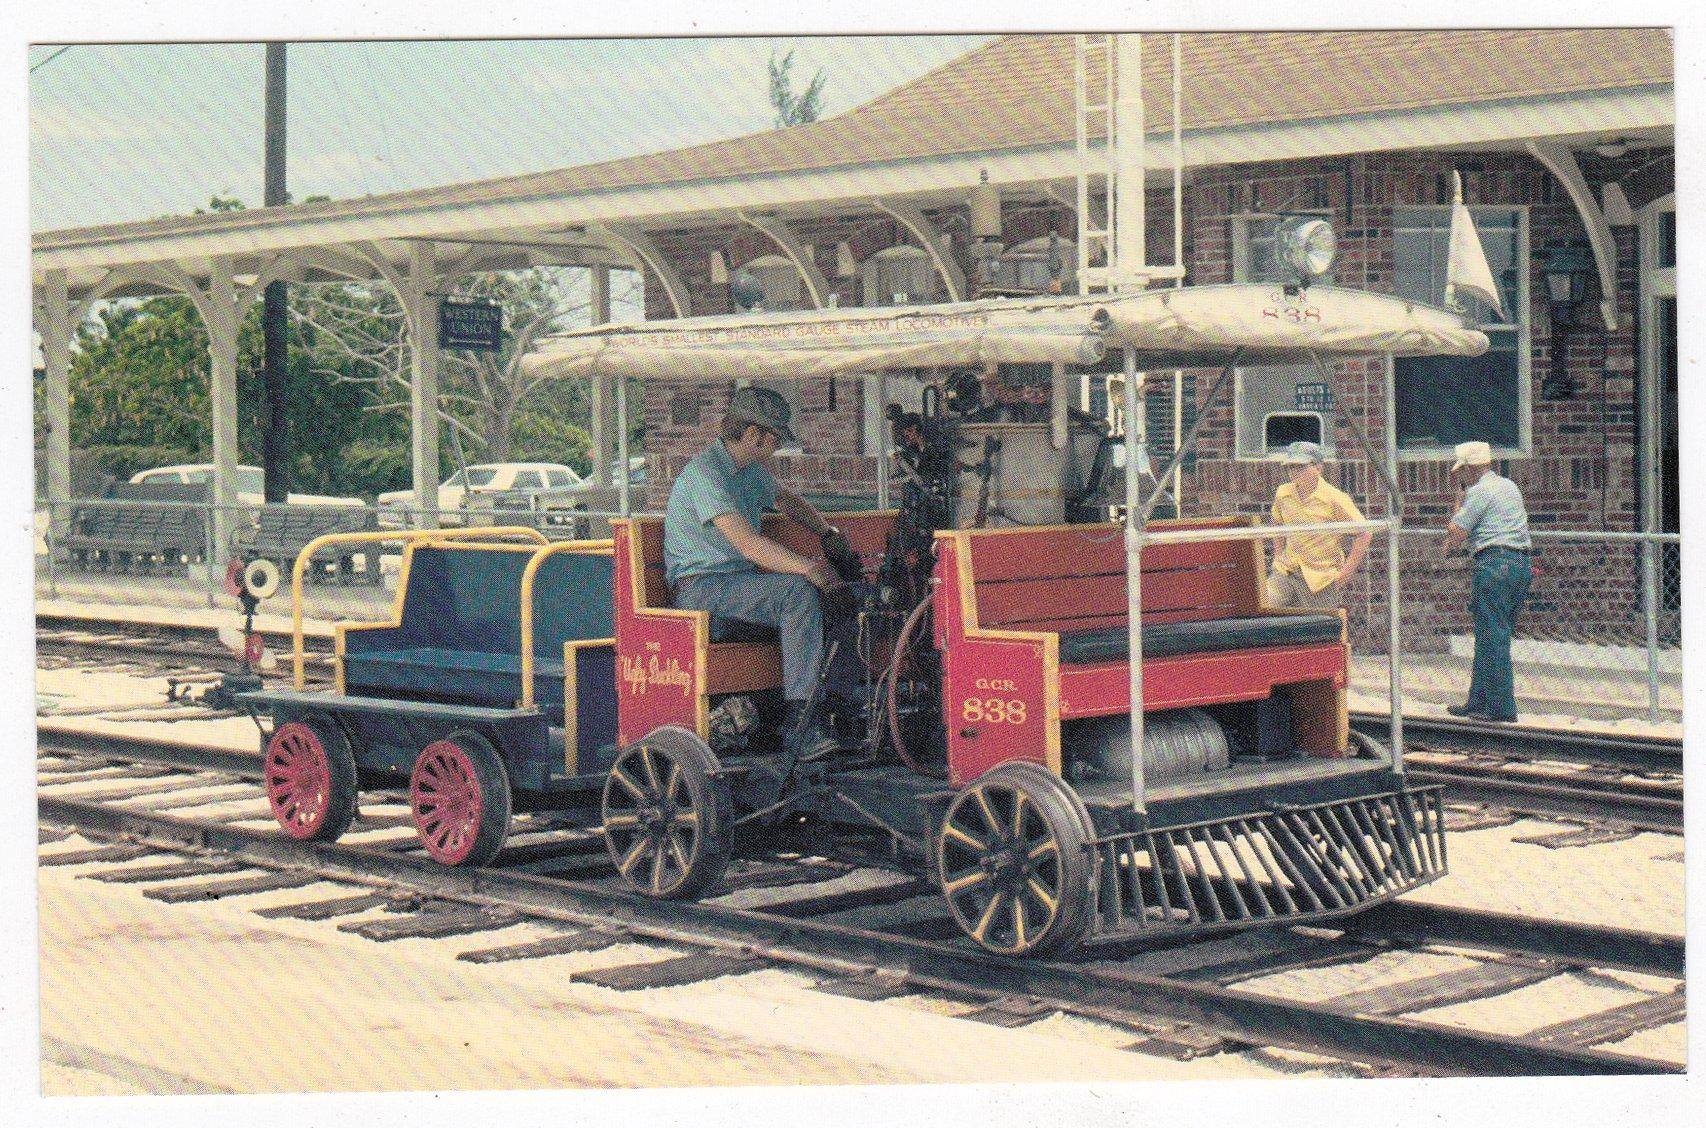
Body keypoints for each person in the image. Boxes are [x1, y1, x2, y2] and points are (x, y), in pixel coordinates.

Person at [663, 386, 850, 757]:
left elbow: (787, 501)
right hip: (701, 590)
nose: (777, 447)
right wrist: (808, 567)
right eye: (775, 439)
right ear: (752, 435)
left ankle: (830, 708)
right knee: (797, 593)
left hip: (737, 586)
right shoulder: (706, 473)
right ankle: (800, 725)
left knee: (838, 599)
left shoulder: (748, 471)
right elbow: (748, 544)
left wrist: (827, 533)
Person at [1441, 440, 1532, 723]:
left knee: (1493, 636)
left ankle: (1501, 709)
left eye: (1461, 471)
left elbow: (1456, 532)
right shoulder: (1509, 486)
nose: (1460, 476)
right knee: (1489, 633)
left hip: (1493, 564)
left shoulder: (1479, 492)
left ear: (1469, 468)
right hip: (1520, 566)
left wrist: (1458, 500)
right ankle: (1478, 701)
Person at [1266, 441, 1371, 610]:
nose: (1294, 473)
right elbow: (1277, 523)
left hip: (1320, 580)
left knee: (1316, 630)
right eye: (1291, 467)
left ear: (1318, 468)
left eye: (1300, 467)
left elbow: (1364, 533)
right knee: (1264, 609)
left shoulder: (1334, 498)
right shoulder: (1283, 493)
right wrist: (1278, 555)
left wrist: (1344, 574)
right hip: (1286, 572)